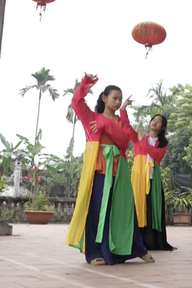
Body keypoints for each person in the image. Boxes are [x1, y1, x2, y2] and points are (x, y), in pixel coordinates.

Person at [65, 73, 153, 265]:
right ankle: (95, 252)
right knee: (97, 210)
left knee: (124, 210)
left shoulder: (120, 121)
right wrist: (85, 83)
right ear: (104, 98)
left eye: (119, 99)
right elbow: (76, 102)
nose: (117, 101)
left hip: (119, 171)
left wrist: (107, 124)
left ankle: (135, 248)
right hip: (99, 171)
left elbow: (123, 141)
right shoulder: (90, 118)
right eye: (114, 98)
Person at [127, 114, 175, 251]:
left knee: (153, 209)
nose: (154, 122)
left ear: (163, 127)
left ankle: (155, 242)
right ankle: (137, 240)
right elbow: (127, 128)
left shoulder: (163, 143)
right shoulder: (140, 137)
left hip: (153, 179)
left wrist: (142, 142)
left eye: (158, 121)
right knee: (138, 207)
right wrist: (123, 110)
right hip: (139, 178)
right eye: (153, 120)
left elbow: (155, 154)